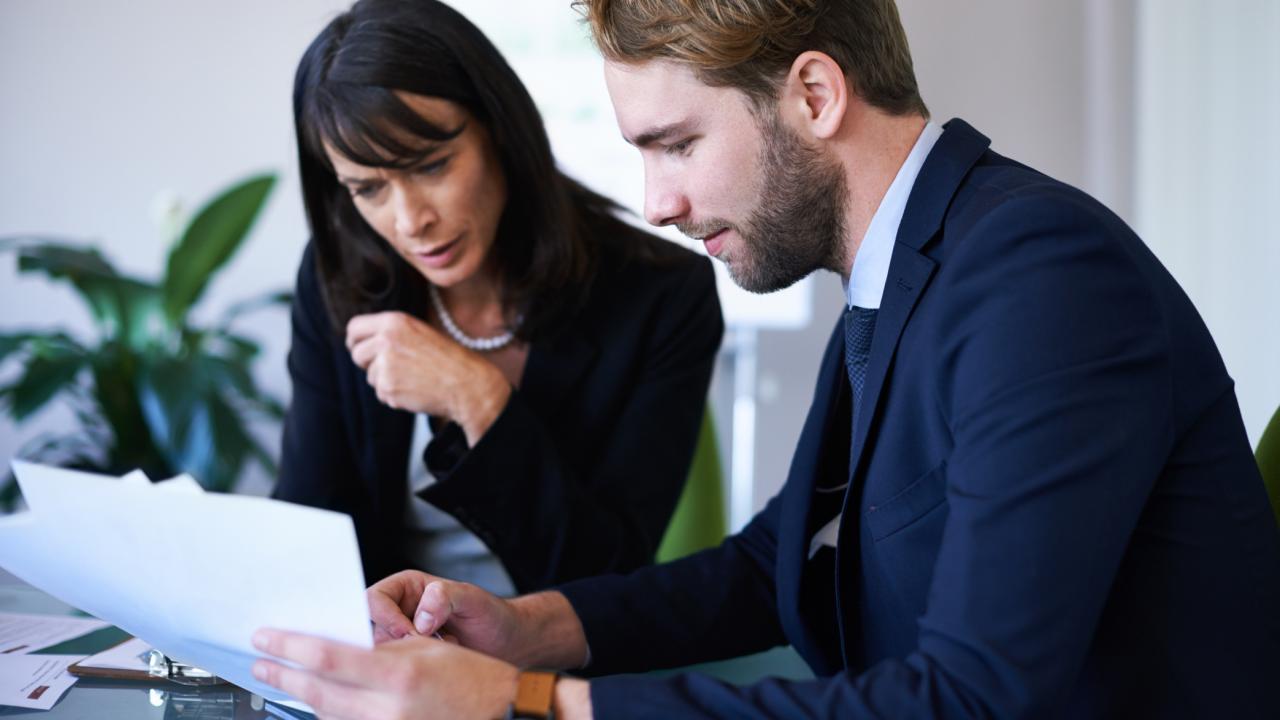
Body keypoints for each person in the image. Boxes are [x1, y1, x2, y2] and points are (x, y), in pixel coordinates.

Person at [253, 0, 1280, 718]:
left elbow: (973, 698)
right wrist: (524, 631)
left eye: (676, 144)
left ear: (815, 94)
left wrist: (532, 702)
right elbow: (768, 563)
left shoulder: (1039, 276)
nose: (657, 202)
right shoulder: (908, 272)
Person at [272, 0, 724, 594]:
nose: (410, 221)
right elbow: (309, 536)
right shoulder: (341, 276)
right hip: (387, 643)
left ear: (500, 133)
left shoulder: (662, 296)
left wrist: (478, 400)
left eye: (431, 166)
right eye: (368, 188)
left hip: (556, 649)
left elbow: (606, 579)